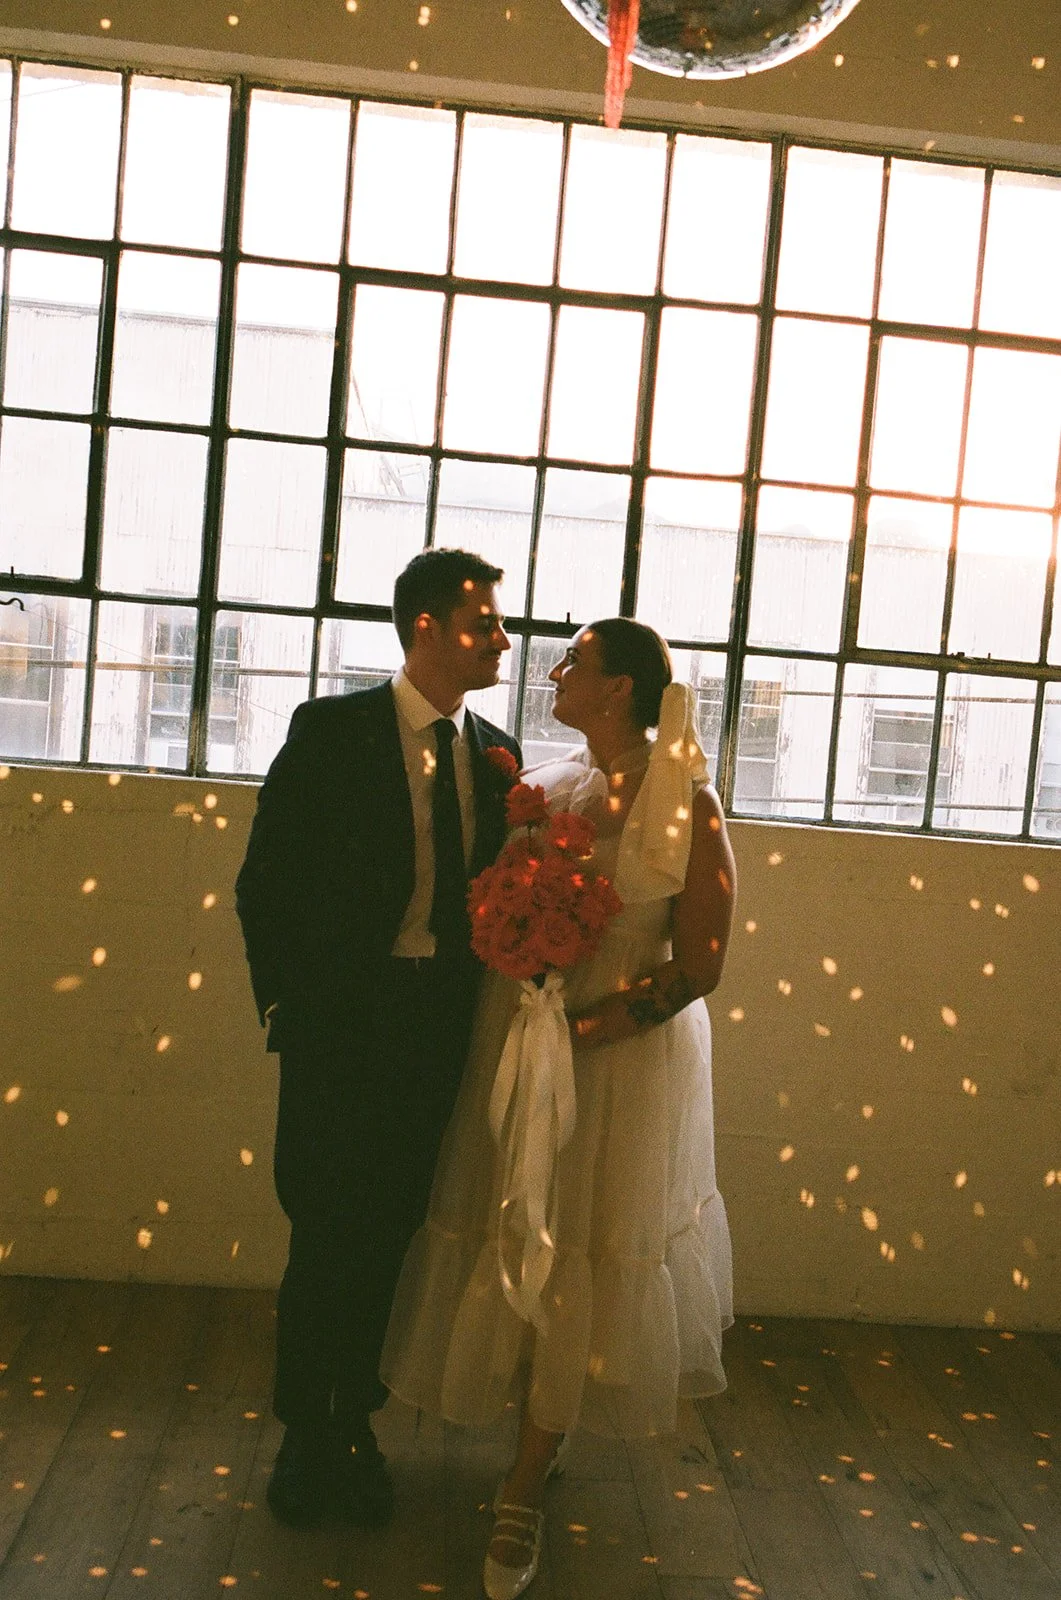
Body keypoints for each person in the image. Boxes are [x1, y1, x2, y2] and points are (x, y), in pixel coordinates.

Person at [381, 616, 737, 1600]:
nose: (553, 670)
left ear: (618, 688)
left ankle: (525, 1482)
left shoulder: (688, 805)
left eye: (572, 661)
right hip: (519, 1038)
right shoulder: (546, 782)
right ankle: (537, 1416)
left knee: (578, 1239)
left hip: (611, 1067)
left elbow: (700, 962)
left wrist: (582, 1037)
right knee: (511, 1229)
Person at [235, 548, 521, 1529]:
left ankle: (353, 1422)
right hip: (337, 1029)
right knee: (322, 1229)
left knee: (393, 1235)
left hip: (437, 1033)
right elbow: (263, 881)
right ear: (427, 627)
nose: (501, 640)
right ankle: (301, 1435)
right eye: (484, 622)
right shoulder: (331, 731)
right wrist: (285, 1009)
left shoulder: (498, 752)